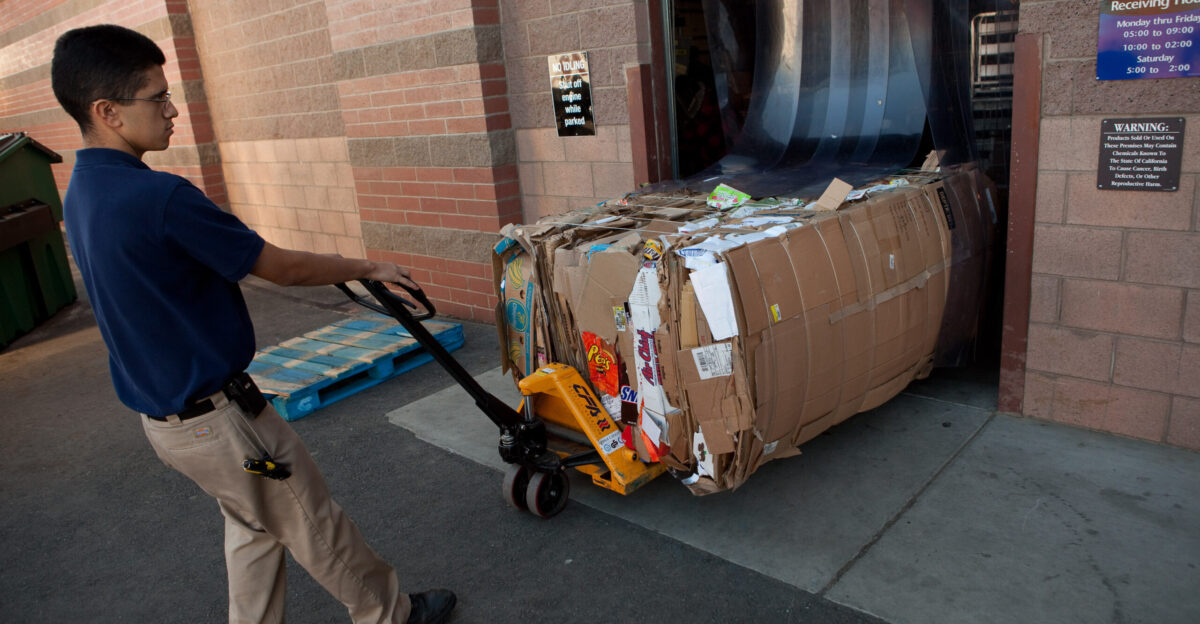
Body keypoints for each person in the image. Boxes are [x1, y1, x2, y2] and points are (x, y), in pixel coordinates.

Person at [50, 24, 456, 624]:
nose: (172, 112)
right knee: (311, 518)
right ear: (107, 111)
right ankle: (389, 615)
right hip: (224, 425)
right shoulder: (159, 197)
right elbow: (280, 268)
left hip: (172, 428)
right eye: (158, 99)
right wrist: (369, 265)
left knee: (254, 527)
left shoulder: (82, 191)